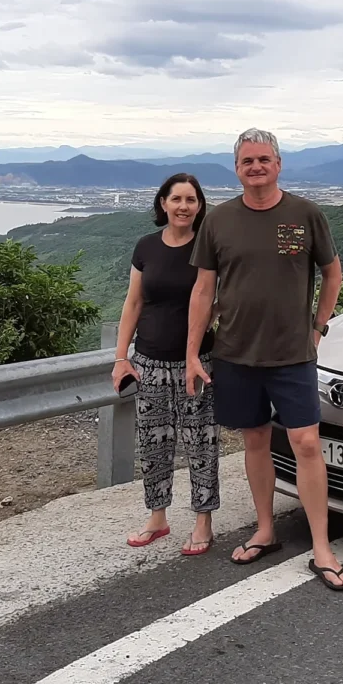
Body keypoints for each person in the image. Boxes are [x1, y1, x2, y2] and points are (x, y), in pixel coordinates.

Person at [184, 128, 343, 591]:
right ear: (236, 169)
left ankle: (321, 546)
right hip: (235, 353)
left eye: (263, 159)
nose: (255, 167)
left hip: (292, 354)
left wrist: (317, 326)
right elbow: (203, 290)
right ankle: (266, 529)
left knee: (306, 445)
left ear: (278, 164)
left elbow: (332, 273)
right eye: (246, 161)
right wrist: (193, 353)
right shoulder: (219, 220)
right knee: (255, 441)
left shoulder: (305, 213)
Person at [113, 172, 220, 557]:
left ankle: (203, 522)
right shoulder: (146, 247)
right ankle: (157, 517)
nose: (183, 207)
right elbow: (133, 302)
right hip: (148, 361)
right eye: (176, 199)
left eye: (191, 200)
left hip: (197, 362)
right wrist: (121, 357)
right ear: (163, 203)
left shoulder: (208, 249)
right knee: (153, 444)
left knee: (200, 443)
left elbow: (217, 298)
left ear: (200, 206)